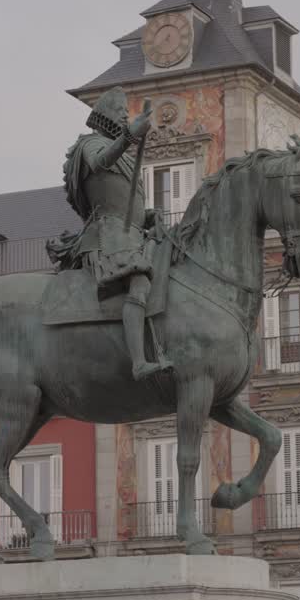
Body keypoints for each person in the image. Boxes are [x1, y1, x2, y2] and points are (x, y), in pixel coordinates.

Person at [59, 87, 172, 380]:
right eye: (121, 113)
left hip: (131, 235)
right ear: (106, 114)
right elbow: (101, 163)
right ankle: (138, 362)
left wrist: (148, 217)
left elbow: (125, 204)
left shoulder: (116, 147)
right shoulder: (90, 145)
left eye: (127, 115)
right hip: (107, 236)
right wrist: (130, 136)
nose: (125, 117)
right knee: (139, 283)